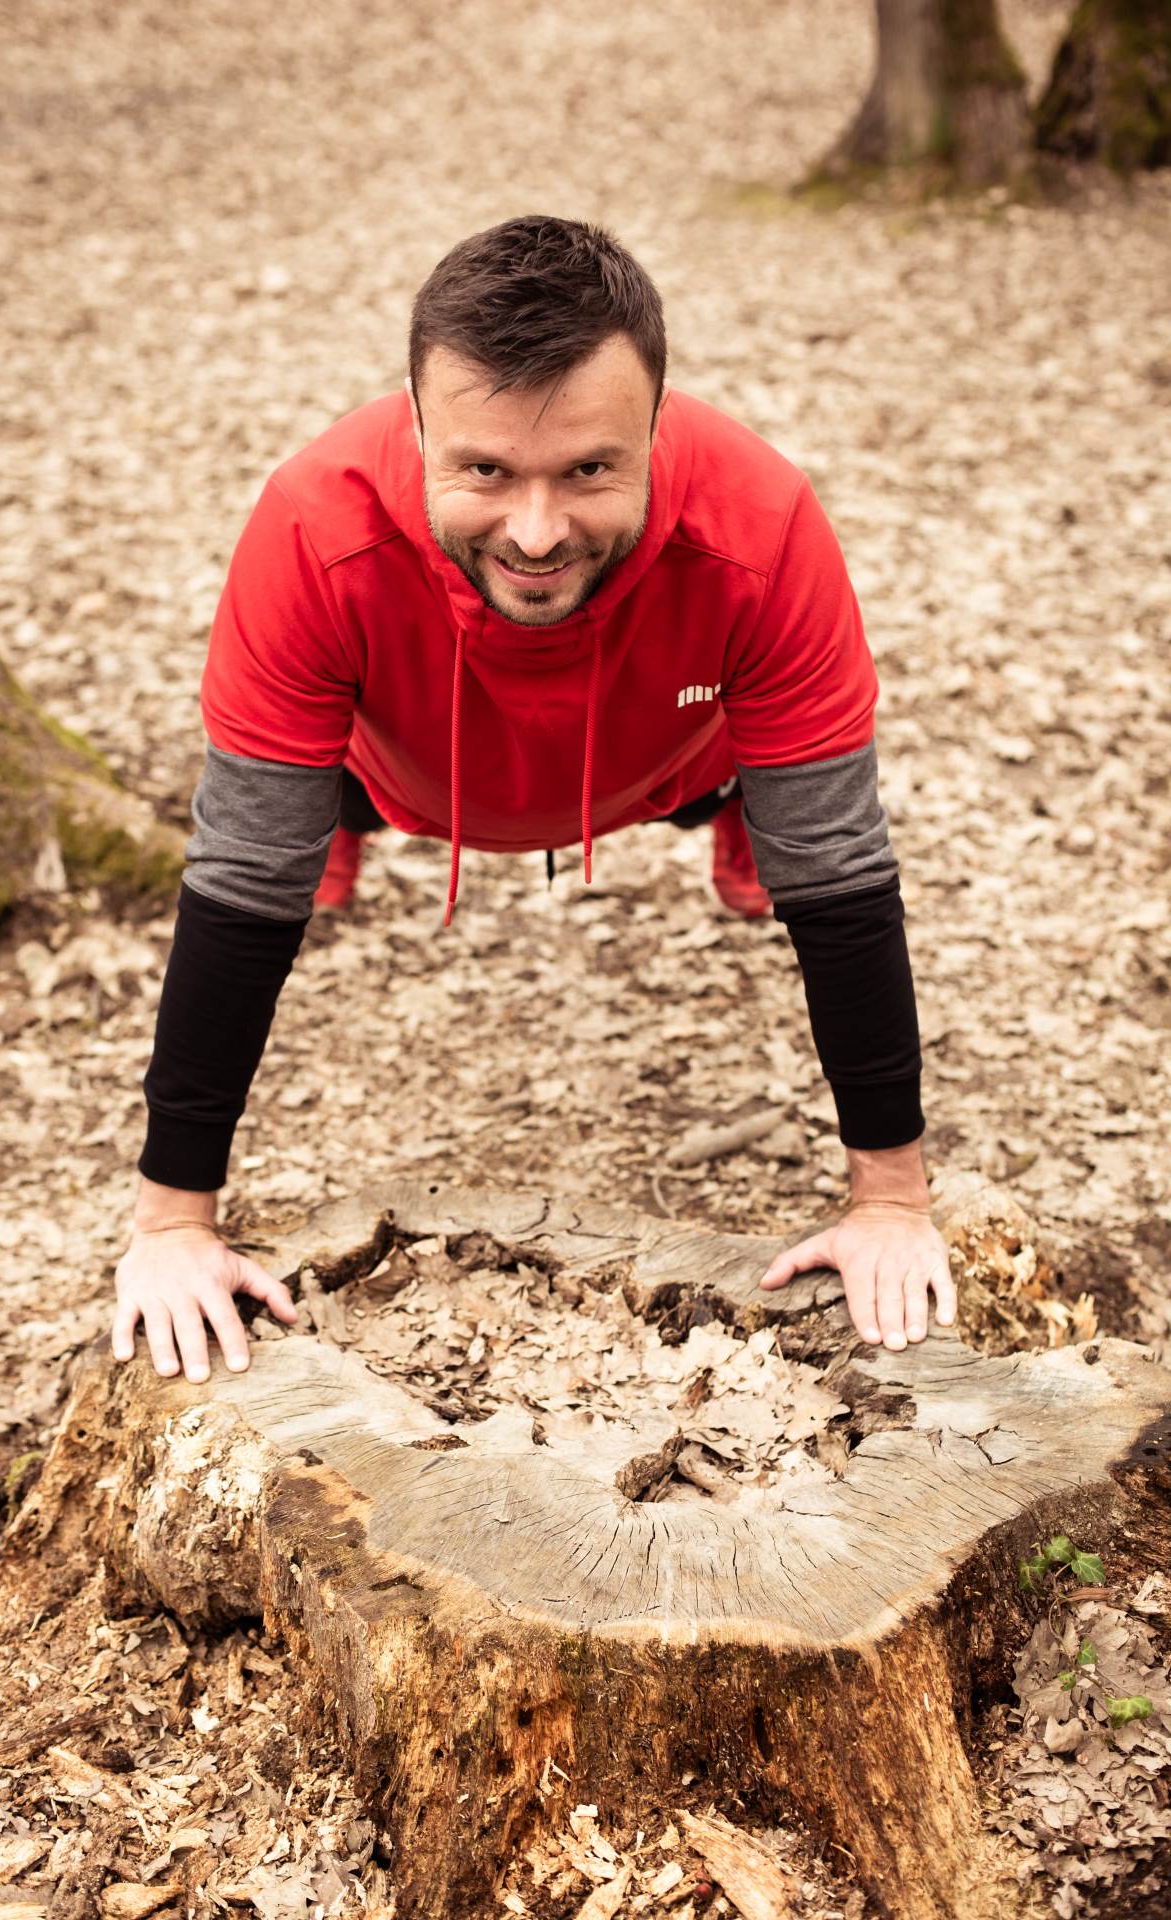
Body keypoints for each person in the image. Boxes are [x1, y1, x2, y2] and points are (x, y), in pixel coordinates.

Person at [113, 214, 956, 1385]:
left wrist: (890, 1198)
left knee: (797, 838)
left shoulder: (759, 527)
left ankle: (734, 829)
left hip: (666, 749)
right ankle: (337, 839)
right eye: (485, 470)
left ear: (654, 427)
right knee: (281, 849)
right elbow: (240, 885)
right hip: (396, 770)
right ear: (414, 426)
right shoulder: (313, 528)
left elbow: (845, 876)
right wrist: (172, 1223)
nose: (537, 530)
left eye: (589, 470)